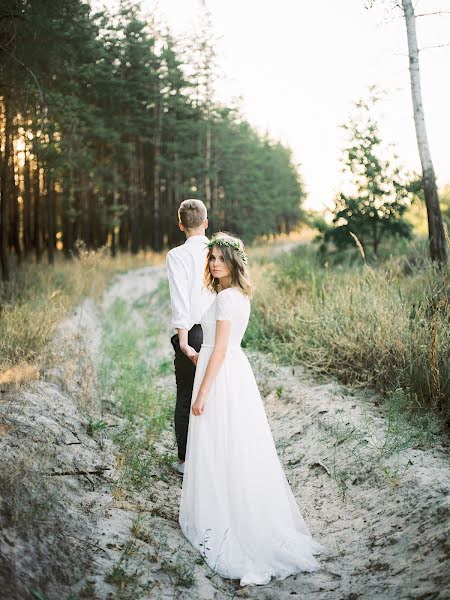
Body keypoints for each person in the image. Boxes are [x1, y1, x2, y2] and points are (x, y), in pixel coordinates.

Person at [179, 232, 325, 586]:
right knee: (232, 443)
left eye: (220, 259)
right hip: (229, 370)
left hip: (221, 376)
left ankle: (227, 517)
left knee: (220, 444)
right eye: (211, 258)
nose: (214, 264)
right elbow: (218, 345)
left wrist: (201, 395)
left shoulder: (228, 298)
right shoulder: (236, 294)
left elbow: (221, 349)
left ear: (234, 263)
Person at [166, 199, 215, 476]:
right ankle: (214, 456)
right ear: (206, 223)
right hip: (220, 331)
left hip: (194, 333)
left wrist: (183, 342)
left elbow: (180, 301)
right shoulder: (219, 251)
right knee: (216, 393)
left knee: (187, 396)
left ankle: (186, 461)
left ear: (181, 225)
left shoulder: (177, 256)